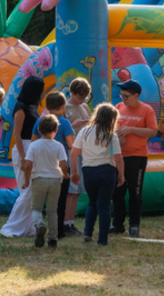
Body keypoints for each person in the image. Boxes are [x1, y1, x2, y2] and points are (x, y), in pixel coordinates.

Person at [71, 103, 125, 246]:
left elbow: (74, 153)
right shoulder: (111, 135)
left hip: (88, 170)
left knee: (92, 203)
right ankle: (102, 240)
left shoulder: (84, 132)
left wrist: (74, 172)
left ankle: (87, 232)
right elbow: (118, 158)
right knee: (104, 206)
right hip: (107, 171)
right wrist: (122, 175)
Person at [112, 79, 157, 238]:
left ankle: (134, 225)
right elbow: (112, 127)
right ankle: (117, 224)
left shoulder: (146, 110)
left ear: (136, 95)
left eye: (126, 96)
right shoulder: (118, 107)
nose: (122, 98)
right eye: (121, 95)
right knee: (117, 192)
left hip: (137, 156)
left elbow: (152, 131)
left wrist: (130, 130)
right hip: (119, 157)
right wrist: (118, 133)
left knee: (135, 192)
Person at [0, 76, 45, 238]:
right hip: (24, 149)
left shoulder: (32, 107)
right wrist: (24, 157)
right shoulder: (21, 107)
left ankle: (28, 227)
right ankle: (11, 227)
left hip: (32, 148)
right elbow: (17, 134)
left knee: (30, 191)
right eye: (40, 90)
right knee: (27, 191)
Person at [22, 114, 69, 249]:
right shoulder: (59, 146)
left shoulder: (34, 145)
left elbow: (28, 165)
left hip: (39, 179)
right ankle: (53, 239)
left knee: (36, 208)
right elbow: (64, 164)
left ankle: (39, 224)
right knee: (52, 210)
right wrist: (65, 174)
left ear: (39, 130)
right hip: (55, 180)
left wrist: (26, 181)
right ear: (56, 131)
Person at [32, 92, 76, 238]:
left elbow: (33, 143)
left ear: (47, 106)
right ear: (63, 106)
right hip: (61, 168)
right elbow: (71, 144)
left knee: (39, 203)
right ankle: (58, 232)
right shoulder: (64, 123)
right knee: (59, 202)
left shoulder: (39, 121)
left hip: (41, 168)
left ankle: (39, 225)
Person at [63, 78, 93, 236]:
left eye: (85, 97)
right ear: (72, 93)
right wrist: (73, 126)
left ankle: (70, 222)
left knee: (76, 191)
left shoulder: (84, 106)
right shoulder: (65, 107)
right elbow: (59, 130)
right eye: (80, 96)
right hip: (69, 153)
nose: (82, 100)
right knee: (69, 190)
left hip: (82, 151)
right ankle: (64, 223)